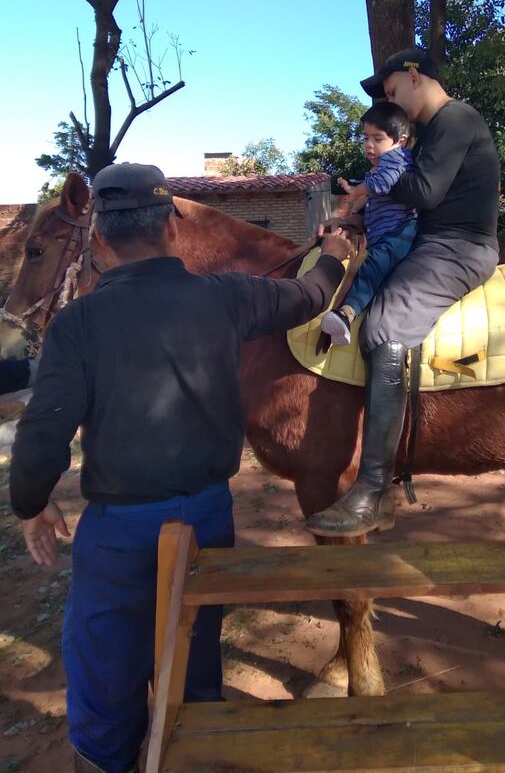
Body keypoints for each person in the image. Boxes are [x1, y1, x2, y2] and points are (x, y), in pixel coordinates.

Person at [9, 162, 350, 773]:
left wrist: (32, 503)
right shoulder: (226, 298)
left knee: (107, 667)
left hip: (117, 531)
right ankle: (191, 746)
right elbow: (310, 296)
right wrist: (332, 253)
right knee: (192, 653)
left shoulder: (77, 324)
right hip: (205, 519)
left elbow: (42, 435)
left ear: (102, 238)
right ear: (172, 225)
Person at [306, 47, 500, 538]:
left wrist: (376, 183)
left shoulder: (456, 119)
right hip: (429, 242)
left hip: (459, 248)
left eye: (392, 89)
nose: (390, 99)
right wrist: (352, 218)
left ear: (414, 75)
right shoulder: (433, 132)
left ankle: (374, 491)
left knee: (385, 325)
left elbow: (427, 192)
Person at [321, 100, 417, 346]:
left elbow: (380, 185)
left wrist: (355, 191)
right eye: (365, 138)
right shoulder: (385, 163)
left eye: (378, 138)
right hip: (385, 234)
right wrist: (362, 203)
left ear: (401, 140)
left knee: (372, 268)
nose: (369, 145)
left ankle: (346, 314)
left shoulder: (396, 159)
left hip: (398, 234)